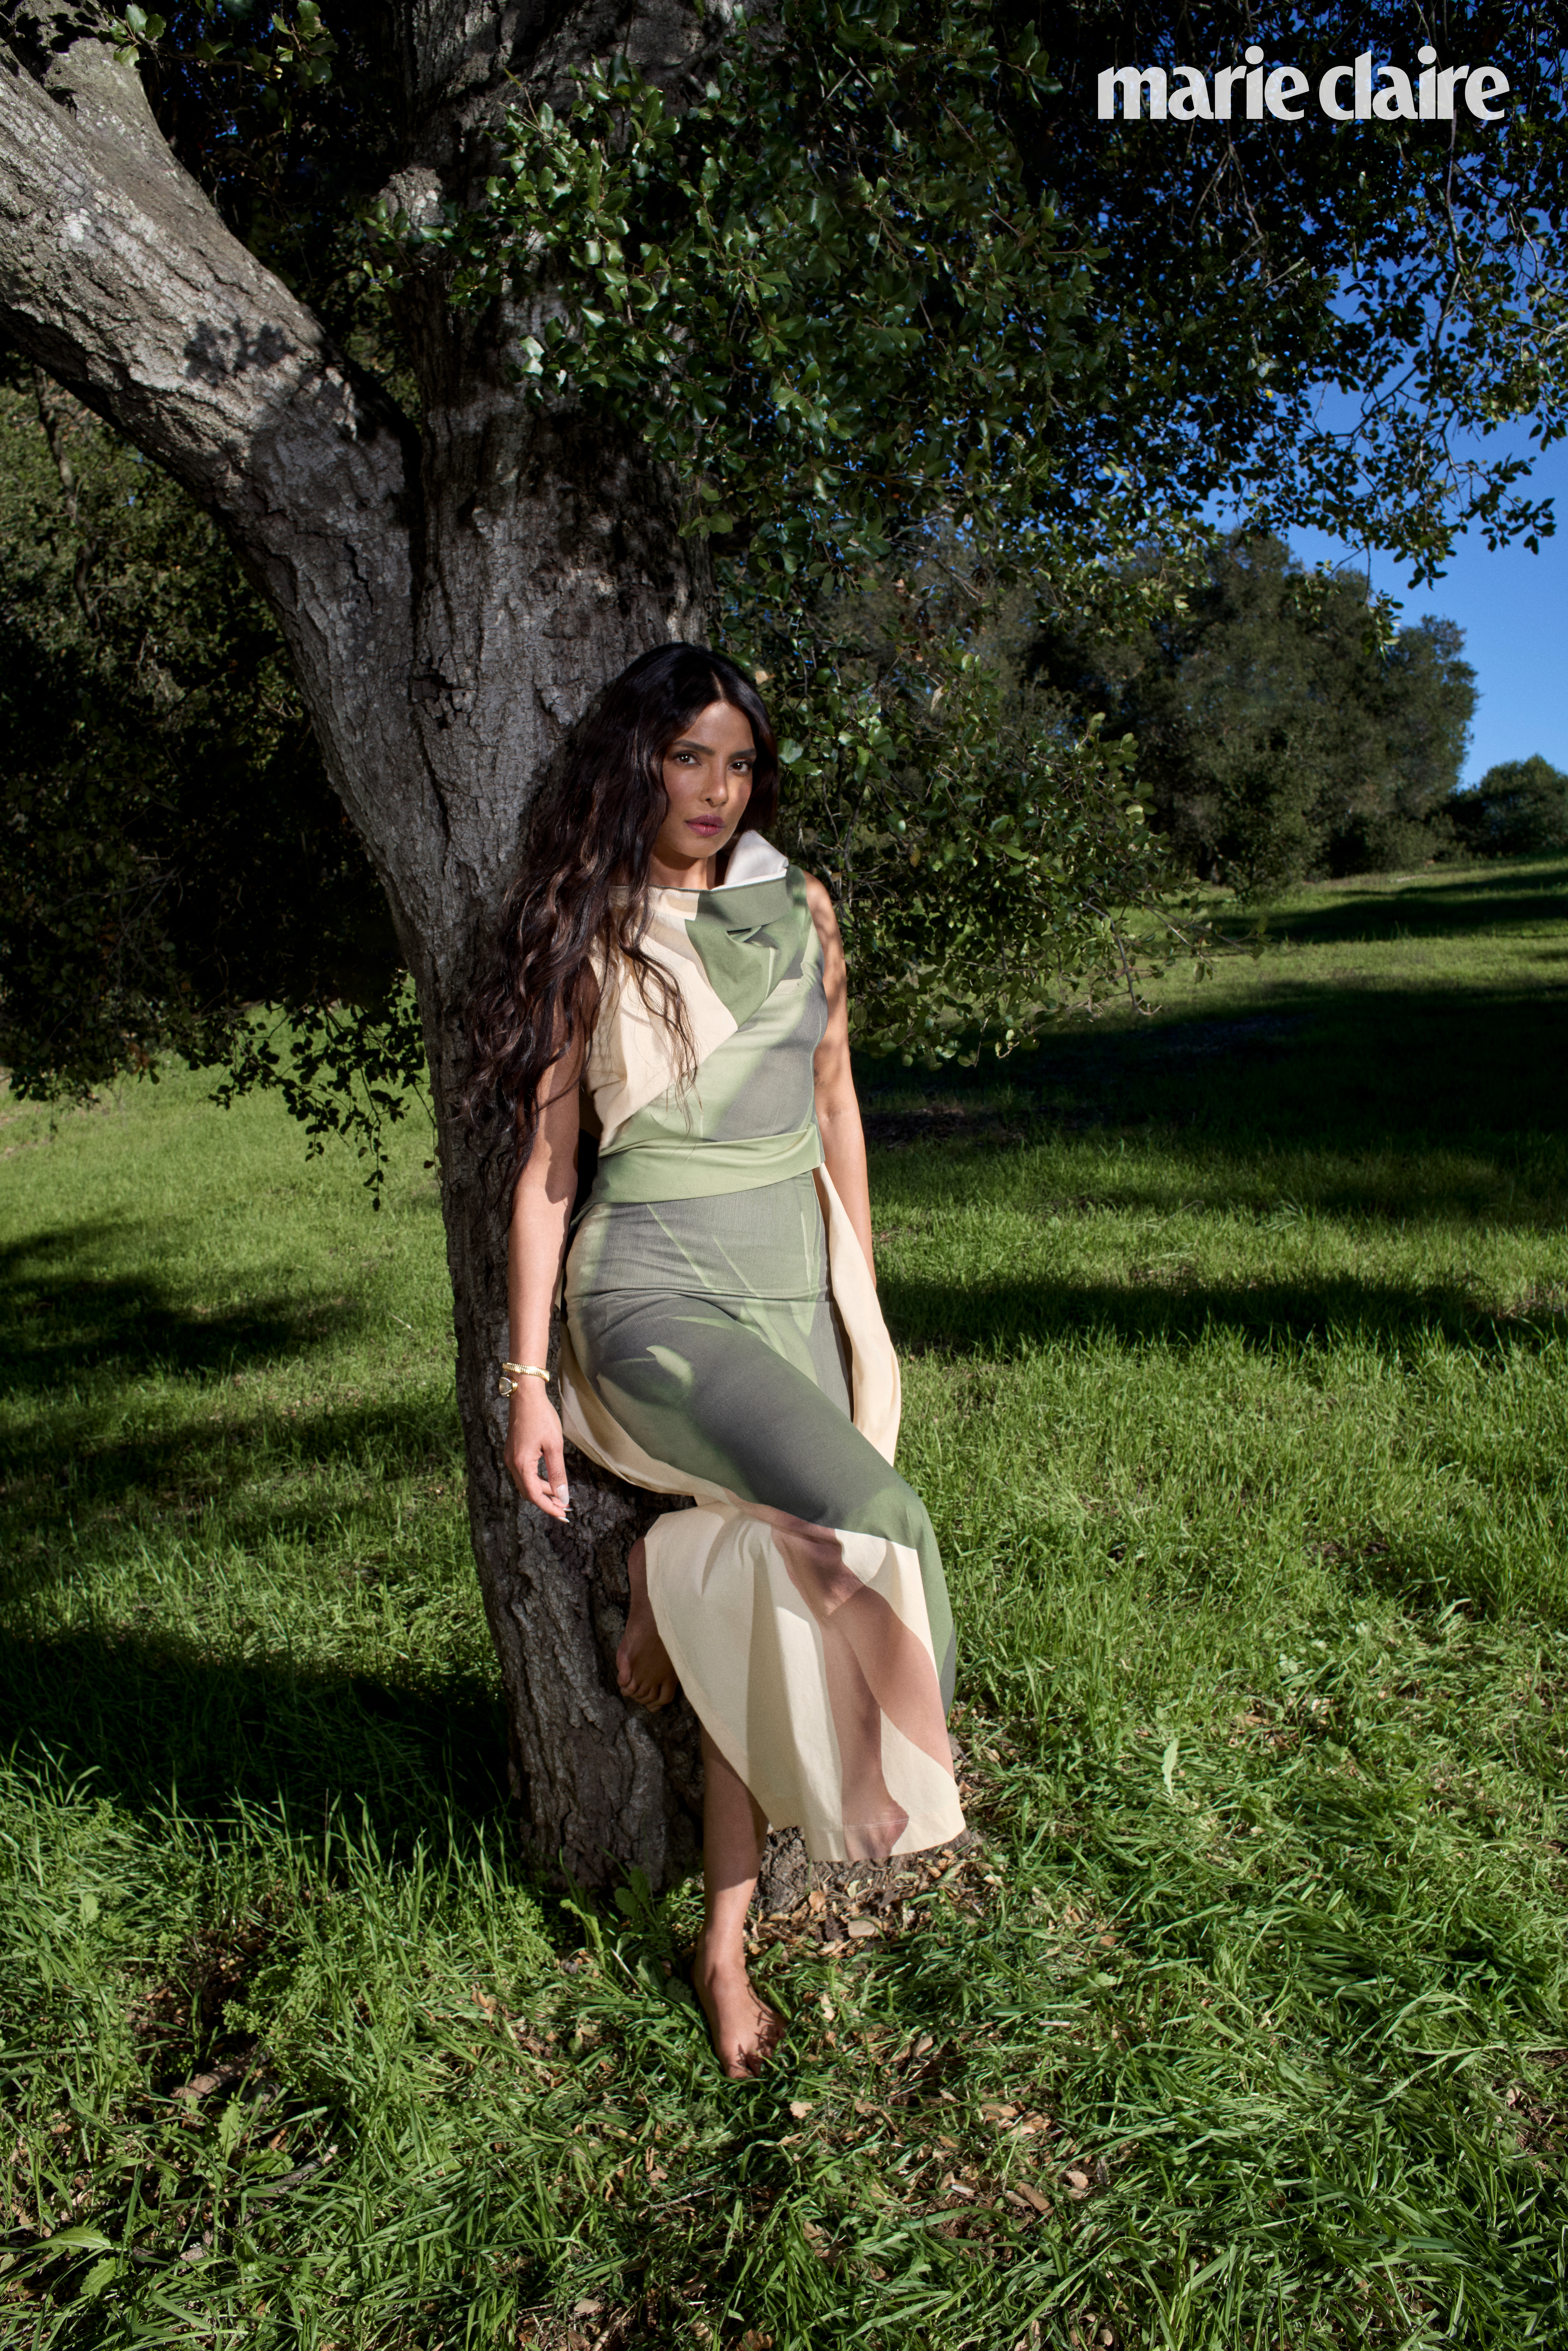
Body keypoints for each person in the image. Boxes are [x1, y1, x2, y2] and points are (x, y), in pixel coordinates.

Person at [468, 644, 963, 2077]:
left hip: (792, 1286)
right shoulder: (589, 922)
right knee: (877, 1521)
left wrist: (857, 1289)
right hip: (652, 1294)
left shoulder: (799, 906)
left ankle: (722, 1941)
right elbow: (550, 1172)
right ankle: (907, 1814)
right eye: (688, 755)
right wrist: (523, 1383)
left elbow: (838, 1104)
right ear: (637, 765)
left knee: (774, 1588)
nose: (714, 785)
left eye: (737, 760)